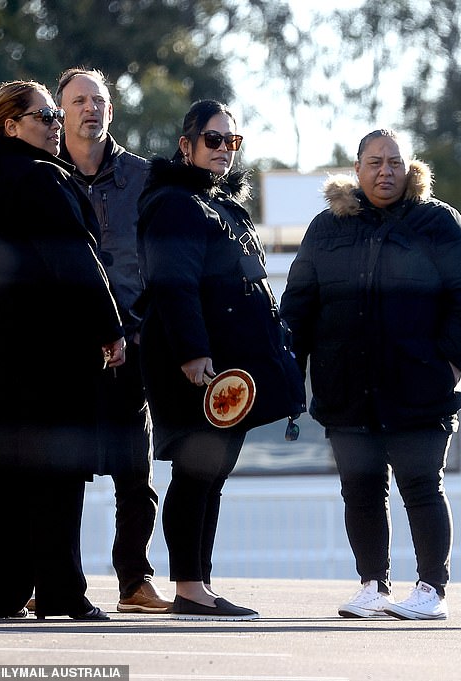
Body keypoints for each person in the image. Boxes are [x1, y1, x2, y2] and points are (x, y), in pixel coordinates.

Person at [279, 129, 461, 620]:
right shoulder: (326, 228)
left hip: (421, 384)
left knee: (422, 485)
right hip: (346, 385)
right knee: (360, 487)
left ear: (408, 167)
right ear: (357, 170)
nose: (385, 171)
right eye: (374, 162)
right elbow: (299, 306)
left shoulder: (438, 222)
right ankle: (372, 586)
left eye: (394, 162)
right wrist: (295, 371)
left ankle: (431, 591)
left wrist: (449, 363)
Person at [0, 80, 126, 621]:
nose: (53, 125)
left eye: (51, 116)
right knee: (55, 476)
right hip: (41, 352)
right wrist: (109, 330)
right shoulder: (41, 178)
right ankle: (62, 593)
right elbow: (75, 263)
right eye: (43, 116)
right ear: (11, 125)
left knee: (0, 479)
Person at [136, 99, 276, 620]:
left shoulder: (219, 204)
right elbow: (173, 284)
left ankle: (200, 582)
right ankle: (190, 587)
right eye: (213, 140)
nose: (223, 150)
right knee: (196, 474)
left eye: (231, 142)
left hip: (227, 367)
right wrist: (195, 354)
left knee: (211, 473)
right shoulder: (175, 202)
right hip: (194, 366)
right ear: (187, 144)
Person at [54, 67, 172, 614]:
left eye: (98, 100)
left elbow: (164, 259)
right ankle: (56, 581)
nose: (90, 109)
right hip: (66, 348)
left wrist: (144, 326)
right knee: (62, 472)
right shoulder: (43, 176)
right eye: (78, 101)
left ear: (111, 111)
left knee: (135, 472)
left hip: (132, 341)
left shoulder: (145, 179)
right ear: (61, 112)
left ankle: (134, 581)